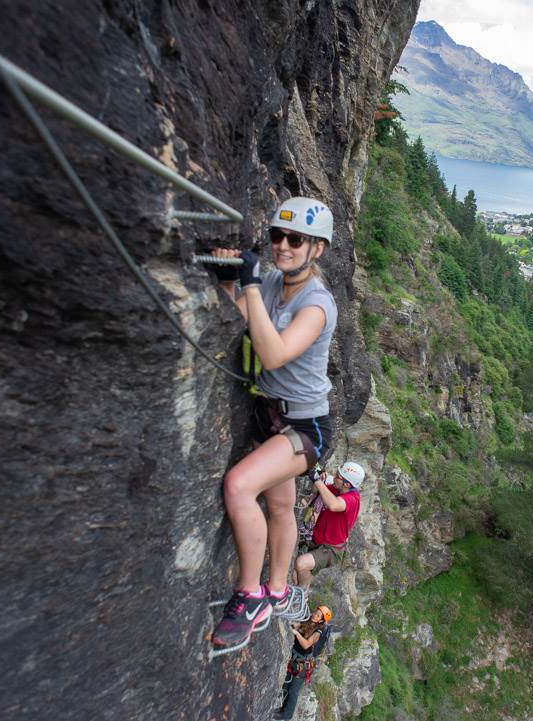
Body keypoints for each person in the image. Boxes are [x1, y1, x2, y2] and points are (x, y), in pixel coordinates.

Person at [208, 197, 338, 653]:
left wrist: (248, 280)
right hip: (271, 415)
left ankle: (250, 598)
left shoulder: (317, 304)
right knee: (280, 507)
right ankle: (279, 590)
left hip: (305, 426)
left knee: (240, 486)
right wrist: (232, 282)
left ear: (316, 248)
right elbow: (246, 318)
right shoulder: (270, 285)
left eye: (296, 239)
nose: (283, 246)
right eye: (277, 236)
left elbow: (275, 352)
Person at [294, 461, 364, 587]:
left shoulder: (353, 499)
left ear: (347, 484)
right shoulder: (337, 488)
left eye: (338, 476)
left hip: (331, 549)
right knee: (294, 569)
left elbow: (334, 505)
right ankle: (297, 589)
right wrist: (320, 476)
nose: (335, 476)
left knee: (301, 563)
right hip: (316, 538)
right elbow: (319, 489)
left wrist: (316, 480)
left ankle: (303, 593)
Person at [274, 605, 333, 721]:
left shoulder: (318, 632)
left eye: (317, 615)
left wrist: (296, 633)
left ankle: (286, 716)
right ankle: (282, 710)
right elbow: (297, 625)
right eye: (315, 612)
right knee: (286, 685)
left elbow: (306, 644)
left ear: (321, 620)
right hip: (294, 659)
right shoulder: (307, 622)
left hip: (303, 664)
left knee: (293, 691)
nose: (314, 615)